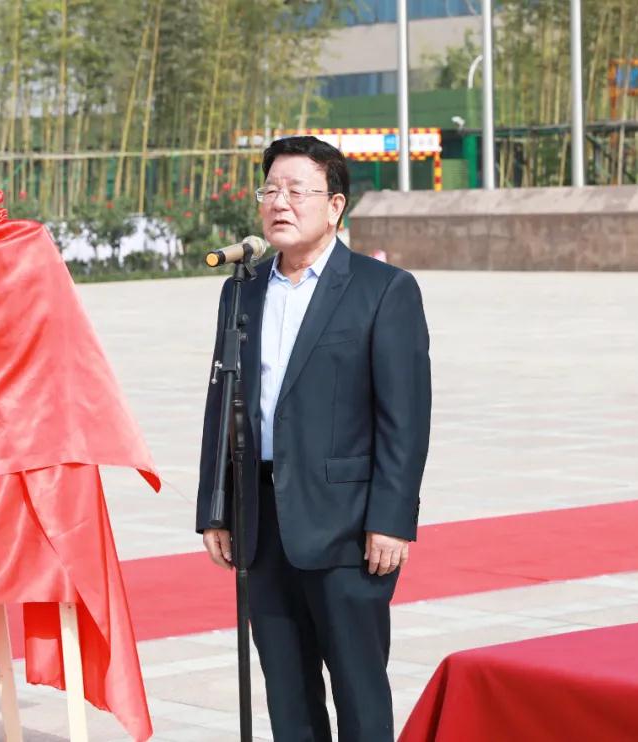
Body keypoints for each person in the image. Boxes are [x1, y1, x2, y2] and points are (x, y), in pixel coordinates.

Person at [196, 136, 432, 741]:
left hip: (348, 527)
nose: (280, 203)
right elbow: (223, 401)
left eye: (297, 191)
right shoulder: (243, 288)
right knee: (288, 692)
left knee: (358, 688)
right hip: (262, 519)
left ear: (334, 206)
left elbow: (404, 417)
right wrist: (215, 508)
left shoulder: (383, 289)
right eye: (270, 190)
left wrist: (392, 520)